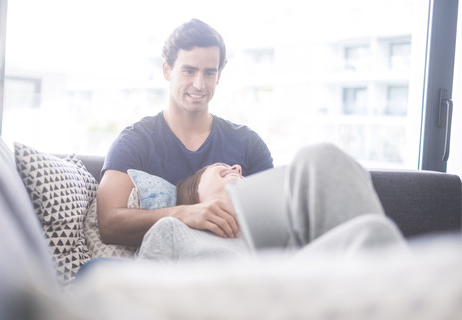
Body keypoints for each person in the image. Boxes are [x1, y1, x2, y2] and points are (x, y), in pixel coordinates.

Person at [96, 19, 273, 247]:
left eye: (209, 73)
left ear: (219, 75)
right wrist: (186, 215)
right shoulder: (135, 141)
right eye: (189, 71)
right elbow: (109, 224)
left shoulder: (248, 143)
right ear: (167, 70)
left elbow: (273, 220)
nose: (199, 84)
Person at [137, 143, 408, 262]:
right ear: (196, 194)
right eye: (221, 168)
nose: (236, 167)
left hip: (306, 292)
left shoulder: (281, 233)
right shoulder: (171, 230)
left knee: (319, 158)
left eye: (237, 169)